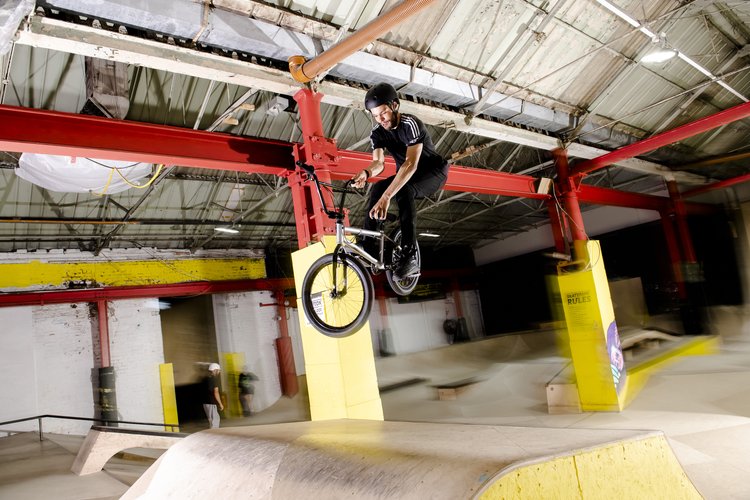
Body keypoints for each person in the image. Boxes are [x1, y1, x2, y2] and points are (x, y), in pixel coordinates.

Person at [352, 82, 449, 278]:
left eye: (384, 113)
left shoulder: (410, 125)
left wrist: (388, 197)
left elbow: (410, 165)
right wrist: (366, 173)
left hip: (432, 173)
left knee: (403, 190)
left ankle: (409, 255)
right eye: (375, 116)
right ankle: (368, 242)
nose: (381, 120)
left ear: (395, 105)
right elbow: (378, 163)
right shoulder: (377, 133)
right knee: (379, 185)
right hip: (406, 175)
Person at [203, 363, 224, 428]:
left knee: (211, 420)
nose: (219, 372)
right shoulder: (214, 379)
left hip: (205, 403)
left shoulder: (205, 379)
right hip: (211, 403)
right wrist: (220, 404)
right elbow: (216, 392)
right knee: (215, 421)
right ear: (215, 370)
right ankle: (213, 435)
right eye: (218, 370)